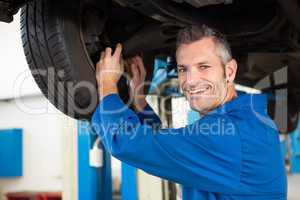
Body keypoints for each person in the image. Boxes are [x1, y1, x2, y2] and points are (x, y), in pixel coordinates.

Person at [92, 25, 287, 200]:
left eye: (203, 67)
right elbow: (173, 150)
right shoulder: (248, 121)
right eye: (183, 69)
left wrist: (108, 86)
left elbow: (126, 142)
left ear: (229, 71)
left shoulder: (228, 135)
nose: (191, 80)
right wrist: (141, 103)